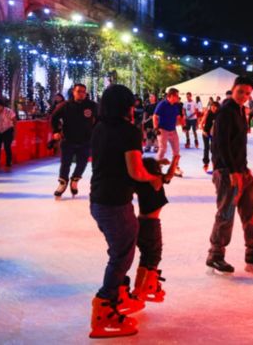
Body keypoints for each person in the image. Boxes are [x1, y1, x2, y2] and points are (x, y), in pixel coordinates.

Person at [87, 84, 164, 338]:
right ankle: (104, 310)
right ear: (127, 106)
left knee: (119, 251)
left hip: (99, 199)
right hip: (115, 202)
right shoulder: (128, 131)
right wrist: (153, 178)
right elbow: (135, 171)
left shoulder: (99, 127)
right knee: (121, 255)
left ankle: (119, 296)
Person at [207, 76, 253, 273]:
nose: (244, 96)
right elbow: (221, 144)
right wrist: (232, 170)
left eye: (247, 93)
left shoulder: (239, 110)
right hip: (227, 172)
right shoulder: (225, 111)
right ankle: (215, 255)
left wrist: (242, 168)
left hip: (241, 170)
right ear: (233, 89)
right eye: (240, 92)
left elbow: (238, 145)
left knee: (252, 212)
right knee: (226, 214)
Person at [51, 83, 98, 198]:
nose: (81, 94)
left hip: (86, 140)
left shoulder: (92, 105)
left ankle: (75, 180)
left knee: (82, 163)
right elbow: (54, 117)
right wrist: (56, 131)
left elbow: (100, 118)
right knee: (65, 163)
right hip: (68, 139)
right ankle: (63, 183)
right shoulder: (65, 105)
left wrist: (95, 131)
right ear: (73, 92)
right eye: (78, 91)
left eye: (83, 92)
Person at [153, 88, 183, 176]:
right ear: (171, 96)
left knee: (176, 150)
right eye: (177, 96)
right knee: (163, 149)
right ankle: (156, 167)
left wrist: (183, 125)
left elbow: (178, 117)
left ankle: (175, 167)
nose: (178, 97)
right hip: (163, 130)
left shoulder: (175, 105)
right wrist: (156, 128)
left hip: (173, 130)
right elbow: (155, 116)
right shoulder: (162, 104)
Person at [0, 99, 17, 170]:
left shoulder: (8, 111)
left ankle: (8, 163)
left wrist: (15, 132)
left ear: (2, 106)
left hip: (7, 130)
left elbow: (14, 121)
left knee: (7, 147)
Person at [200, 101, 220, 173]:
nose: (213, 108)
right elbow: (201, 123)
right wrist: (203, 131)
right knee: (206, 148)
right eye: (212, 106)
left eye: (215, 106)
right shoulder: (208, 113)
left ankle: (214, 166)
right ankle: (206, 163)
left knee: (213, 150)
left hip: (214, 134)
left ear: (217, 107)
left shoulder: (219, 114)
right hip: (206, 133)